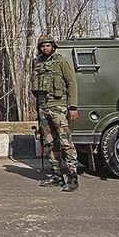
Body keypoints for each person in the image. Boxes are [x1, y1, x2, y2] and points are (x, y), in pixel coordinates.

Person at [30, 35, 79, 192]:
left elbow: (72, 83)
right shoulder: (37, 63)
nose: (45, 48)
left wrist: (73, 107)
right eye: (42, 46)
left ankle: (72, 177)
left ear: (53, 46)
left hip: (58, 107)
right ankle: (56, 175)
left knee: (65, 142)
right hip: (43, 108)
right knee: (50, 143)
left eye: (48, 45)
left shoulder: (61, 61)